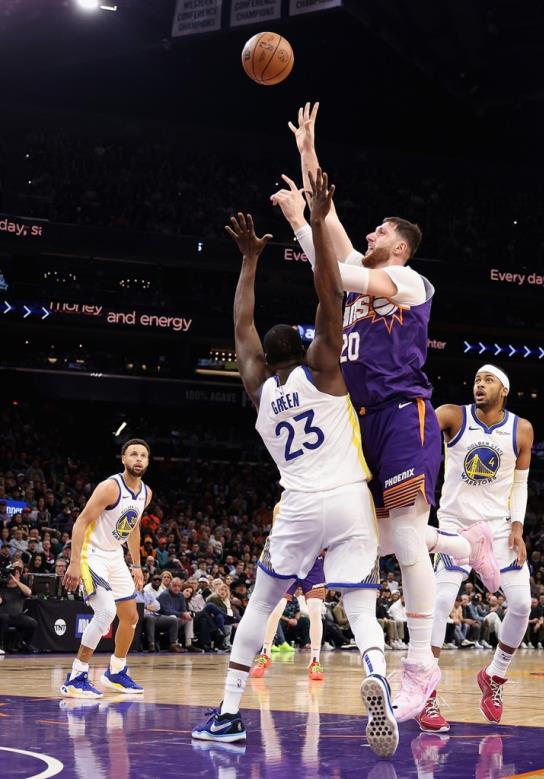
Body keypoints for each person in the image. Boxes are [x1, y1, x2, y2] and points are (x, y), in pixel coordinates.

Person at [271, 101, 499, 721]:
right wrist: (307, 159)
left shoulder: (410, 281)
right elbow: (332, 229)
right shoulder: (359, 270)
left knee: (402, 540)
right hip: (358, 422)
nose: (368, 236)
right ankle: (462, 542)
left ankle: (420, 667)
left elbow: (332, 266)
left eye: (378, 233)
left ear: (399, 247)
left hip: (403, 413)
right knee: (370, 539)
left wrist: (305, 223)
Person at [192, 170, 398, 759]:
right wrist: (317, 222)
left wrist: (249, 260)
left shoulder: (259, 390)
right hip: (351, 497)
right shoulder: (325, 369)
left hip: (300, 504)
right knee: (359, 603)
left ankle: (229, 714)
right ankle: (376, 674)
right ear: (303, 347)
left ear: (266, 356)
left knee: (261, 604)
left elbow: (241, 324)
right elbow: (331, 293)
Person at [420, 365, 534, 731]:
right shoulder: (453, 415)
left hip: (498, 528)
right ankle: (426, 692)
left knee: (522, 604)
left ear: (504, 390)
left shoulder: (521, 429)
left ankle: (494, 676)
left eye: (488, 380)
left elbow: (520, 484)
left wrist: (517, 527)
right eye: (476, 380)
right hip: (455, 526)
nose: (479, 385)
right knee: (440, 602)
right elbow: (419, 426)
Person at [60, 439, 153, 697]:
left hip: (115, 556)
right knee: (106, 612)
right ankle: (76, 677)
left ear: (147, 462)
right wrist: (74, 562)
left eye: (143, 455)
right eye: (133, 454)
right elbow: (81, 522)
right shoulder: (110, 487)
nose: (138, 459)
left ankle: (116, 672)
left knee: (131, 617)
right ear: (123, 458)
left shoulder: (146, 493)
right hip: (92, 554)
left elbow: (133, 527)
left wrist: (136, 564)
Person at [251, 508, 326, 680]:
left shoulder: (323, 506)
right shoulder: (283, 505)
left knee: (315, 611)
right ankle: (265, 653)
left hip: (314, 566)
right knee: (276, 608)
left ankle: (315, 661)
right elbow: (278, 535)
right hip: (289, 562)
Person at [0, 561, 38, 654]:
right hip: (4, 616)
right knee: (3, 617)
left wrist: (16, 581)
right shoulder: (2, 588)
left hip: (18, 616)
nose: (11, 577)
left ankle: (24, 643)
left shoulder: (20, 588)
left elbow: (28, 592)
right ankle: (1, 645)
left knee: (32, 622)